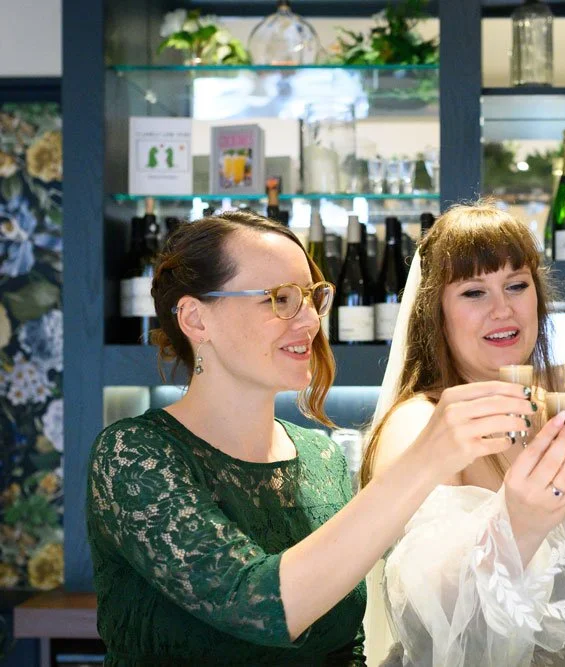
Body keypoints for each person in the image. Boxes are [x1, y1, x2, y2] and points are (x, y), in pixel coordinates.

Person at [86, 211, 534, 665]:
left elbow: (345, 645)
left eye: (311, 297)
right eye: (280, 299)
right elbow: (258, 605)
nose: (309, 321)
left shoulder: (321, 457)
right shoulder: (134, 455)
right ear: (196, 319)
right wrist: (426, 459)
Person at [361, 202, 565, 666]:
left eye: (517, 286)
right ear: (435, 312)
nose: (503, 309)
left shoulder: (551, 410)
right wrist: (518, 519)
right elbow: (428, 610)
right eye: (474, 293)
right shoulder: (418, 424)